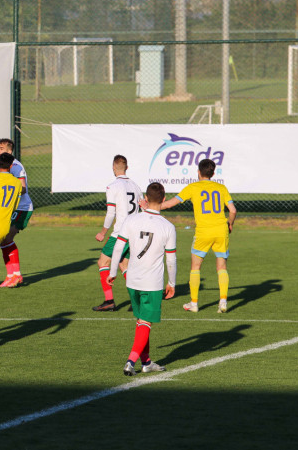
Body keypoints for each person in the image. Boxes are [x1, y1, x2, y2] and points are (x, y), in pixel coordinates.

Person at [108, 182, 176, 376]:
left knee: (141, 321)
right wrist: (171, 283)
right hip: (152, 282)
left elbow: (119, 248)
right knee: (145, 322)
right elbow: (171, 258)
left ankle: (146, 362)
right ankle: (131, 361)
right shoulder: (168, 227)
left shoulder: (131, 220)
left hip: (132, 280)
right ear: (163, 200)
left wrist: (113, 272)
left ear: (145, 199)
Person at [158, 158, 237, 313]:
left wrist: (151, 206)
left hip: (203, 232)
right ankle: (223, 302)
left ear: (198, 172)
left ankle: (194, 304)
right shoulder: (221, 188)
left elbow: (169, 204)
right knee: (221, 267)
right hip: (221, 230)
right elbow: (233, 210)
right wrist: (230, 224)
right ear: (213, 173)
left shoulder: (193, 187)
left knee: (195, 266)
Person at [93, 155, 143, 311]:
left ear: (113, 168)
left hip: (120, 233)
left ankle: (109, 301)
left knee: (103, 263)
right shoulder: (136, 186)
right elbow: (143, 209)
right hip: (134, 232)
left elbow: (110, 213)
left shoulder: (113, 186)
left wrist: (102, 232)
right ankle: (137, 301)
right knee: (124, 264)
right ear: (126, 168)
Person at [0, 139, 34, 287]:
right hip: (12, 208)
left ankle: (15, 275)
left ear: (10, 152)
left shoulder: (16, 166)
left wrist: (9, 193)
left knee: (6, 236)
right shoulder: (3, 167)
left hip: (22, 207)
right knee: (4, 239)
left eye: (2, 148)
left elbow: (22, 188)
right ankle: (12, 275)